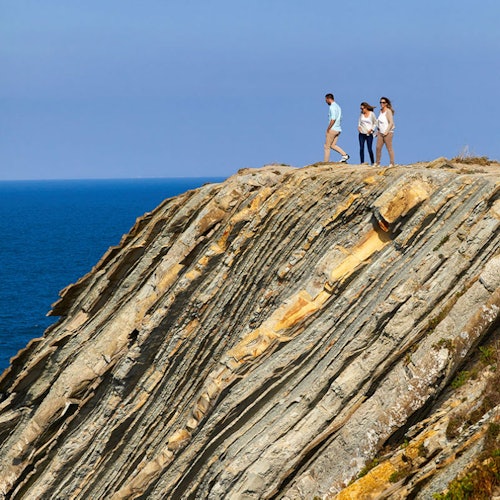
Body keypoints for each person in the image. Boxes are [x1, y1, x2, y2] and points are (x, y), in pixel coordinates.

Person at [324, 93, 350, 163]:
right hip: (338, 129)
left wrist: (328, 128)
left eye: (326, 100)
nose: (326, 102)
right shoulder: (338, 107)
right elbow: (340, 118)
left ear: (328, 99)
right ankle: (345, 155)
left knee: (327, 147)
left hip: (333, 129)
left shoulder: (332, 107)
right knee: (333, 145)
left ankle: (325, 162)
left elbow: (333, 119)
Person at [375, 97, 395, 166]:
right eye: (380, 102)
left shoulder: (388, 111)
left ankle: (392, 163)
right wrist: (377, 131)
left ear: (386, 103)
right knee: (378, 147)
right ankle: (377, 163)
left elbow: (391, 122)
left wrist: (386, 131)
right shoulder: (380, 111)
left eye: (383, 102)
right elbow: (379, 122)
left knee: (389, 148)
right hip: (381, 133)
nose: (382, 104)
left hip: (388, 133)